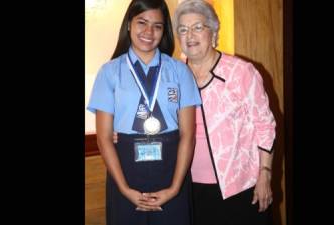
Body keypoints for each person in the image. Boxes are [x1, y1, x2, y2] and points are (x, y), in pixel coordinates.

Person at [87, 0, 201, 224]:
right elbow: (103, 138)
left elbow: (188, 134)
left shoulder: (179, 71)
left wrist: (175, 188)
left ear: (164, 30)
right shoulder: (109, 72)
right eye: (142, 22)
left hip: (171, 168)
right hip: (126, 170)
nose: (149, 32)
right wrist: (124, 189)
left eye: (157, 26)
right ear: (129, 24)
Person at [173, 1, 276, 225]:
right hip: (187, 186)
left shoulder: (240, 72)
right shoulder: (173, 75)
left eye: (198, 27)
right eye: (183, 29)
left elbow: (265, 125)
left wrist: (265, 173)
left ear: (213, 31)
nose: (190, 35)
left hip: (239, 188)